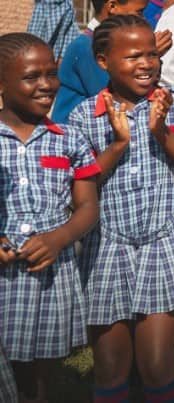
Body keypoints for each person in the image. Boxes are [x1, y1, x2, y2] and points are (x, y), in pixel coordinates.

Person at [67, 16, 174, 403]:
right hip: (105, 247)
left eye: (151, 54)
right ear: (103, 61)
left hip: (164, 241)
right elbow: (79, 188)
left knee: (158, 366)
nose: (146, 64)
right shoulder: (84, 116)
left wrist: (160, 131)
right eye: (132, 56)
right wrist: (117, 145)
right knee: (111, 369)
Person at [0, 32, 101, 403]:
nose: (46, 85)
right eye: (31, 77)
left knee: (40, 380)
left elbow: (88, 207)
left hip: (49, 273)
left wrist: (58, 239)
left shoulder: (69, 139)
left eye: (52, 74)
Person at [52, 0, 157, 125]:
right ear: (112, 6)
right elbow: (117, 93)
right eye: (139, 12)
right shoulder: (86, 46)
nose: (143, 19)